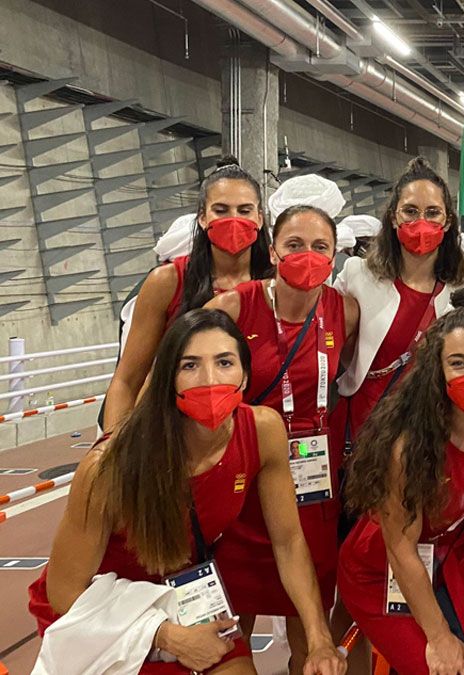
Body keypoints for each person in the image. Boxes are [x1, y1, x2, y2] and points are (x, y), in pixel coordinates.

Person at [29, 309, 344, 675]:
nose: (209, 379)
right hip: (103, 608)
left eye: (224, 362)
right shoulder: (109, 466)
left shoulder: (263, 430)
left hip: (186, 594)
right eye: (190, 365)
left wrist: (318, 637)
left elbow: (288, 542)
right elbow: (64, 594)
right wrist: (166, 636)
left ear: (245, 375)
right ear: (170, 380)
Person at [338, 287, 464, 675]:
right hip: (382, 570)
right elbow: (400, 549)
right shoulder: (408, 446)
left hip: (452, 562)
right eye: (457, 363)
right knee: (446, 667)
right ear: (438, 372)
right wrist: (439, 636)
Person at [206, 204, 360, 671]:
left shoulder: (344, 311)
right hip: (244, 484)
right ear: (272, 250)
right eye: (294, 245)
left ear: (334, 257)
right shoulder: (235, 306)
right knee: (233, 624)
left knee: (309, 616)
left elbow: (344, 381)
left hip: (314, 484)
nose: (307, 256)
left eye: (320, 247)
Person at [104, 156, 273, 431]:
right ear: (203, 218)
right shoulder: (167, 282)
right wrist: (111, 448)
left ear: (259, 218)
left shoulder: (275, 286)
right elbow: (127, 380)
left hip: (258, 436)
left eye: (244, 210)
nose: (234, 220)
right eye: (221, 210)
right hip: (178, 437)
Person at [334, 157, 464, 441]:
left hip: (430, 431)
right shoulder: (357, 275)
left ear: (447, 222)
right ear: (394, 218)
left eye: (433, 213)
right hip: (365, 426)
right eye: (410, 211)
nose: (421, 222)